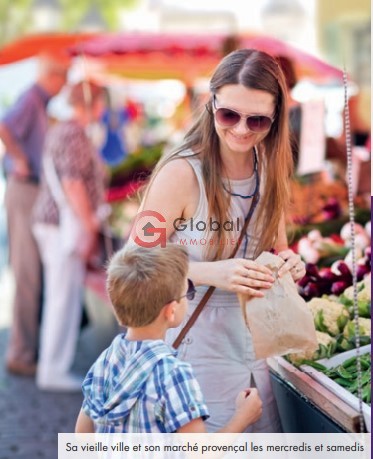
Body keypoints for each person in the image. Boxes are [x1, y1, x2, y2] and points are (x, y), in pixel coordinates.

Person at [130, 49, 306, 432]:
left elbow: (277, 247)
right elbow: (133, 266)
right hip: (194, 357)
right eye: (230, 115)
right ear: (211, 106)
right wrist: (211, 272)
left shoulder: (270, 168)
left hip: (259, 358)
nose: (242, 129)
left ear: (275, 120)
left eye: (257, 120)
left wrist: (290, 261)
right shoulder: (180, 173)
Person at [75, 244, 262, 433]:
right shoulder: (174, 374)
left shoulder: (106, 360)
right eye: (187, 292)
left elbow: (82, 436)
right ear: (171, 311)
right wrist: (243, 417)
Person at [32, 81, 106, 391]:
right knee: (63, 299)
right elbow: (73, 184)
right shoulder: (74, 133)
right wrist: (90, 226)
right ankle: (53, 370)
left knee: (62, 297)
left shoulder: (64, 129)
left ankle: (54, 366)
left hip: (54, 224)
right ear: (95, 103)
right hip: (63, 226)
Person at [0, 53, 69, 376]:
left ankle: (30, 350)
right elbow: (4, 125)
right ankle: (21, 355)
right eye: (64, 77)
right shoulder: (31, 97)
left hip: (30, 191)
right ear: (54, 76)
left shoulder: (40, 103)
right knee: (27, 275)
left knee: (33, 275)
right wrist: (19, 158)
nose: (65, 85)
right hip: (24, 189)